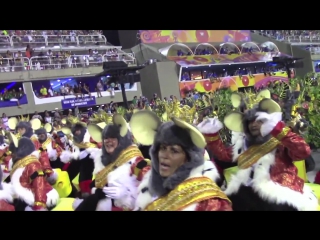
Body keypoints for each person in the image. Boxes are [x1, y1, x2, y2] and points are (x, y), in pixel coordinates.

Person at [197, 89, 318, 211]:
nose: (254, 124)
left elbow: (303, 152)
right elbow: (224, 155)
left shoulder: (281, 139)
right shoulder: (243, 144)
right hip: (250, 190)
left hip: (280, 189)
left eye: (259, 120)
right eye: (250, 121)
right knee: (231, 201)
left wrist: (279, 131)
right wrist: (212, 136)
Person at [130, 110, 231, 211]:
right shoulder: (151, 190)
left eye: (174, 150)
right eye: (163, 148)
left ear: (188, 158)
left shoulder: (208, 201)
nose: (165, 155)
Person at [73, 114, 148, 211]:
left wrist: (126, 192)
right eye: (106, 138)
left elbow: (149, 184)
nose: (108, 141)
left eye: (112, 137)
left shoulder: (134, 158)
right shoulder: (103, 159)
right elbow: (94, 185)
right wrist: (99, 192)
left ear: (121, 140)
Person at [7, 134, 59, 211]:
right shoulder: (20, 164)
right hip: (27, 197)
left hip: (41, 199)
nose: (11, 154)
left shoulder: (32, 164)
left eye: (13, 152)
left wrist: (39, 206)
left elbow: (39, 185)